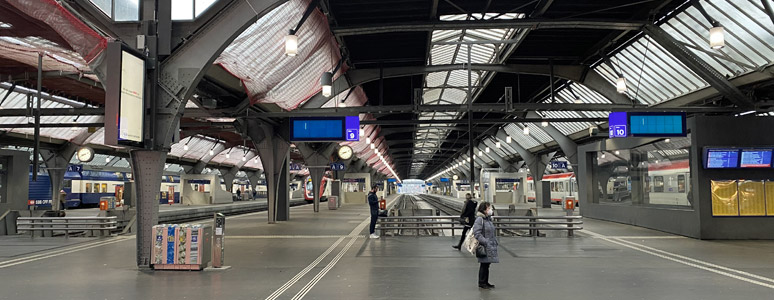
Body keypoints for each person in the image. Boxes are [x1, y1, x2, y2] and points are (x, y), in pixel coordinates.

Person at [472, 202, 498, 289]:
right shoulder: (480, 219)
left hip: (490, 245)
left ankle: (486, 282)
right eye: (488, 208)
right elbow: (477, 233)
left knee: (487, 264)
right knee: (483, 264)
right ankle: (482, 282)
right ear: (484, 210)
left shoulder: (488, 219)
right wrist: (485, 241)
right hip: (484, 245)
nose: (490, 210)